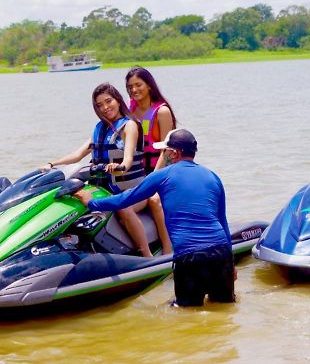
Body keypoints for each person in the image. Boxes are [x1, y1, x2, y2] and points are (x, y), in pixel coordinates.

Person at [75, 129, 235, 307]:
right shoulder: (213, 177)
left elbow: (125, 199)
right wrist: (231, 264)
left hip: (190, 257)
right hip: (221, 254)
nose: (164, 154)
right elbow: (223, 222)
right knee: (224, 309)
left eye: (166, 150)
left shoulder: (163, 175)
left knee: (187, 313)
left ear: (175, 153)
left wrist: (92, 203)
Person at [41, 83, 153, 257]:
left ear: (118, 100)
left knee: (122, 207)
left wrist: (120, 166)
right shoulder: (100, 129)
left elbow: (128, 158)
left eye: (108, 101)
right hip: (105, 188)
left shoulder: (129, 126)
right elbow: (78, 155)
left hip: (134, 190)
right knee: (72, 197)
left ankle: (146, 255)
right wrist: (51, 164)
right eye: (99, 105)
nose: (105, 108)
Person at [125, 66, 176, 254]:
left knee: (154, 201)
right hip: (138, 172)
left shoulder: (161, 112)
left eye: (138, 85)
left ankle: (168, 249)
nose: (134, 90)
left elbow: (166, 149)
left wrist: (153, 179)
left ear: (149, 86)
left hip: (162, 171)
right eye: (130, 87)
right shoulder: (130, 110)